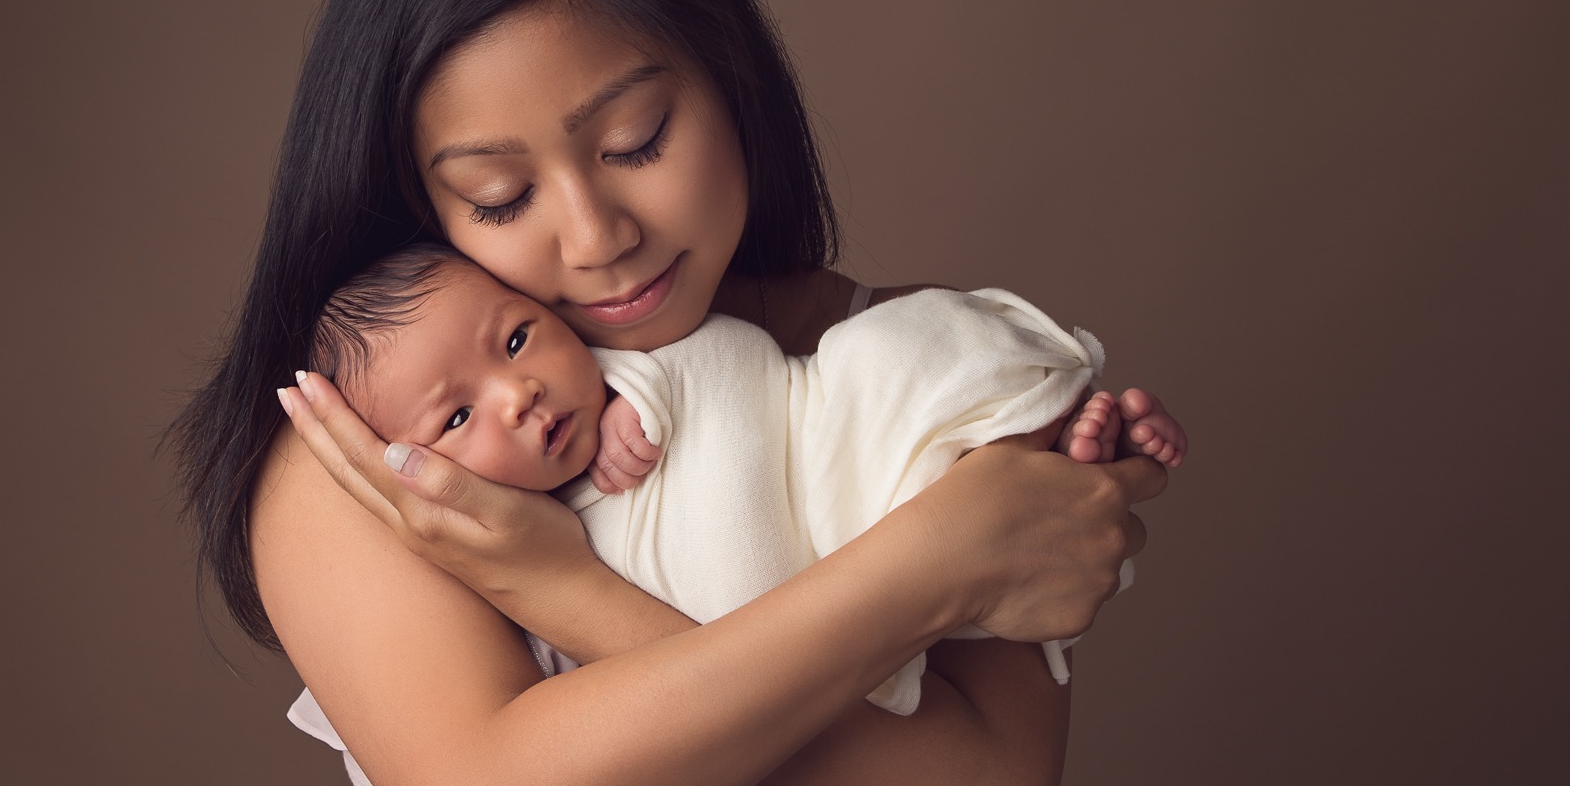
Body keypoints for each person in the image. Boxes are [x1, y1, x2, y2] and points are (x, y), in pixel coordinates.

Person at [171, 0, 1168, 786]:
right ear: (414, 194)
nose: (596, 239)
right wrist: (933, 565)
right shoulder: (378, 437)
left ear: (726, 75)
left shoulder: (921, 364)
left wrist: (576, 598)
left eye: (636, 139)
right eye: (498, 196)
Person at [298, 242, 1185, 707]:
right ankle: (1065, 454)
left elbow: (688, 361)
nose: (520, 392)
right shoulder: (486, 557)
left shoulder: (630, 364)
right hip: (840, 569)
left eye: (520, 337)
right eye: (457, 418)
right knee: (951, 553)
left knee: (893, 373)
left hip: (817, 445)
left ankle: (1049, 417)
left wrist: (635, 400)